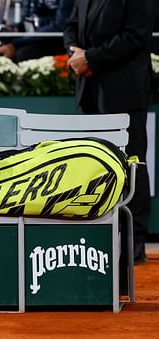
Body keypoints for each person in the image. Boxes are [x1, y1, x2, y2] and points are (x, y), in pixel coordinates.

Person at [64, 0, 156, 264]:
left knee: (133, 165)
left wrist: (91, 58)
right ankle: (100, 237)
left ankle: (133, 242)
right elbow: (71, 24)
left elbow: (135, 36)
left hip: (125, 92)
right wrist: (76, 54)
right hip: (91, 93)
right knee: (96, 167)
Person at [0, 0, 75, 62]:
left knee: (23, 54)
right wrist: (9, 30)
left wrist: (15, 45)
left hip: (57, 40)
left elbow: (59, 27)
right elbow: (27, 22)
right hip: (34, 37)